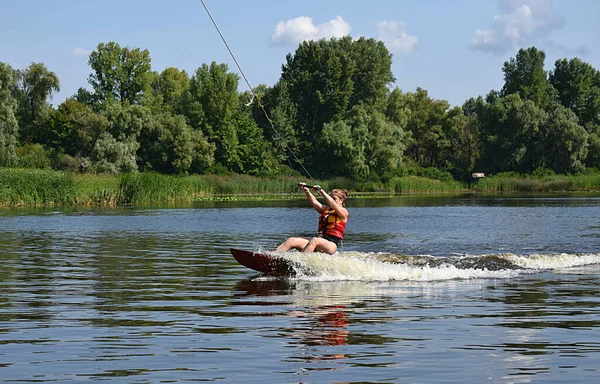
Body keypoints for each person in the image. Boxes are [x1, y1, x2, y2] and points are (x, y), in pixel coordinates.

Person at [276, 182, 349, 254]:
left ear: (341, 200)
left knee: (314, 240)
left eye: (334, 198)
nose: (331, 200)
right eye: (330, 198)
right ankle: (272, 256)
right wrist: (307, 191)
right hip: (318, 240)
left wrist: (321, 191)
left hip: (331, 244)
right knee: (291, 240)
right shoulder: (326, 210)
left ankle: (301, 261)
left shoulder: (344, 212)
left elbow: (333, 204)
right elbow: (314, 202)